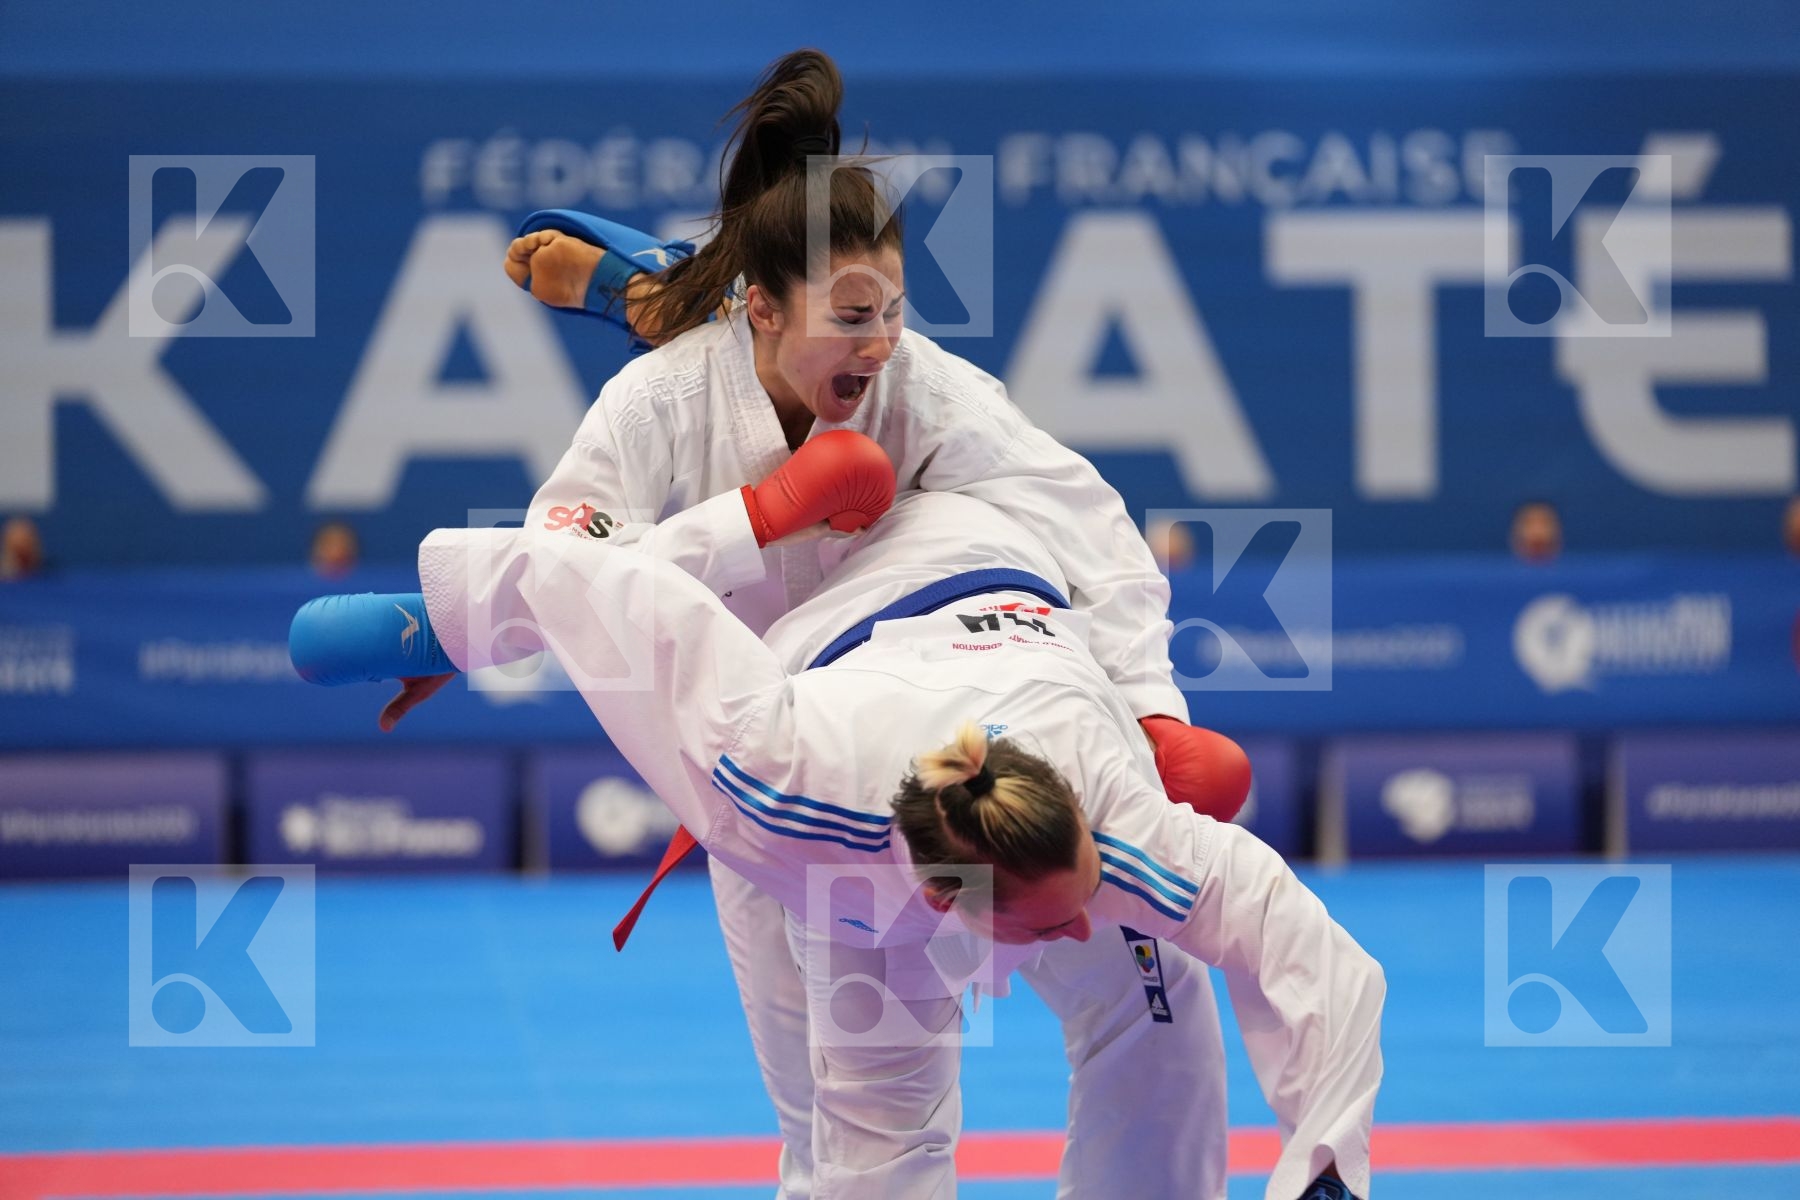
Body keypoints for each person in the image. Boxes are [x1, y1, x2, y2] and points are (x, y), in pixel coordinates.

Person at [386, 49, 1253, 1199]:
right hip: (791, 796)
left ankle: (652, 287)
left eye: (894, 311)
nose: (883, 342)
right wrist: (752, 519)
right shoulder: (659, 407)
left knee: (1161, 1002)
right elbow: (567, 571)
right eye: (852, 315)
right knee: (853, 1141)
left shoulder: (924, 391)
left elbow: (1088, 529)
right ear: (763, 305)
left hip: (985, 751)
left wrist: (1150, 708)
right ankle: (656, 291)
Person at [291, 467, 1383, 1200]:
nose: (1078, 927)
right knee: (864, 1152)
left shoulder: (1120, 821)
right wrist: (447, 623)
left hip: (985, 542)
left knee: (1163, 998)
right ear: (956, 899)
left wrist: (1325, 1165)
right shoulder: (778, 776)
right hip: (826, 627)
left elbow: (1315, 954)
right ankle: (683, 286)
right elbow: (614, 584)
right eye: (1053, 924)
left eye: (1081, 896)